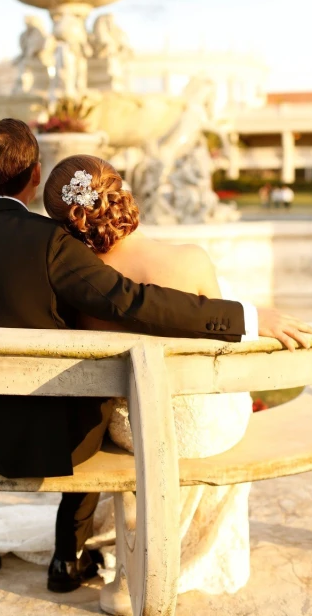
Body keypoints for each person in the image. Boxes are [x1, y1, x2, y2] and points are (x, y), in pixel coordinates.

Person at [0, 119, 312, 596]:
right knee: (88, 406)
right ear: (33, 175)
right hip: (61, 441)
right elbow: (133, 300)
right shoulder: (51, 242)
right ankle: (67, 561)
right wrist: (244, 318)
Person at [44, 155, 257, 593]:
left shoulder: (82, 289)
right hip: (209, 427)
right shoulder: (191, 260)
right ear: (123, 193)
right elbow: (219, 353)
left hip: (134, 430)